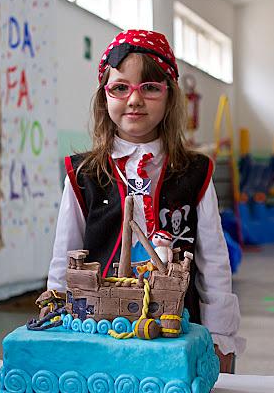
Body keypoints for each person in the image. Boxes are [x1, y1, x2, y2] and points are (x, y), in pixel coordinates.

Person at [47, 29, 245, 372]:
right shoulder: (82, 174)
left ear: (170, 97)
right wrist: (55, 320)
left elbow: (213, 263)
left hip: (179, 330)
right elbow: (65, 258)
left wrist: (220, 337)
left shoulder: (196, 172)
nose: (134, 99)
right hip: (98, 331)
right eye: (121, 88)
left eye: (150, 87)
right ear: (103, 97)